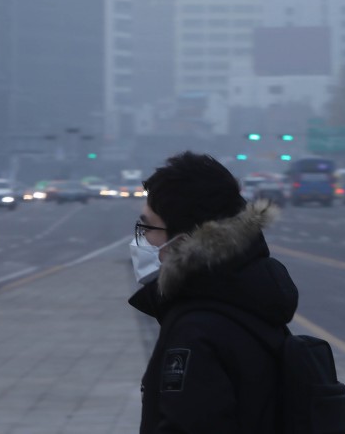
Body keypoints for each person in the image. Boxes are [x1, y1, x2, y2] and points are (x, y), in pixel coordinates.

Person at [128, 151, 298, 433]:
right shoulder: (249, 300)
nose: (141, 238)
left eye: (147, 227)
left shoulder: (195, 330)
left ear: (182, 241)